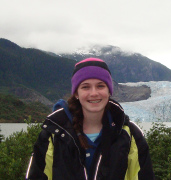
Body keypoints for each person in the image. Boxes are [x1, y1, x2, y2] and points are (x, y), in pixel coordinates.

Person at [25, 58, 154, 180]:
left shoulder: (130, 135)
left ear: (109, 91)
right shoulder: (53, 135)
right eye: (85, 87)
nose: (94, 93)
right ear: (76, 93)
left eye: (100, 86)